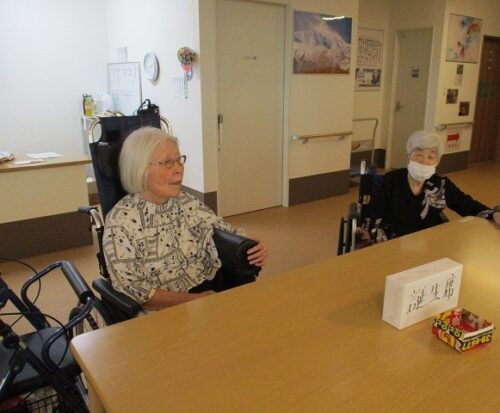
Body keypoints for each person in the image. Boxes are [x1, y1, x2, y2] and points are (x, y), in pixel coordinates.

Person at [102, 127, 268, 311]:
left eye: (179, 160)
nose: (179, 170)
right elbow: (134, 289)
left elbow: (222, 230)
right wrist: (194, 301)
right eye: (168, 162)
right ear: (139, 168)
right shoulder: (120, 222)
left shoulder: (186, 202)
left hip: (206, 290)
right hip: (164, 310)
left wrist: (251, 243)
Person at [369, 130, 500, 239]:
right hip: (393, 241)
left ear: (438, 161)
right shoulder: (390, 180)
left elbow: (467, 205)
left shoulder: (441, 185)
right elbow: (373, 215)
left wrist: (493, 214)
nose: (424, 161)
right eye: (418, 155)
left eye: (431, 157)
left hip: (429, 241)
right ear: (408, 155)